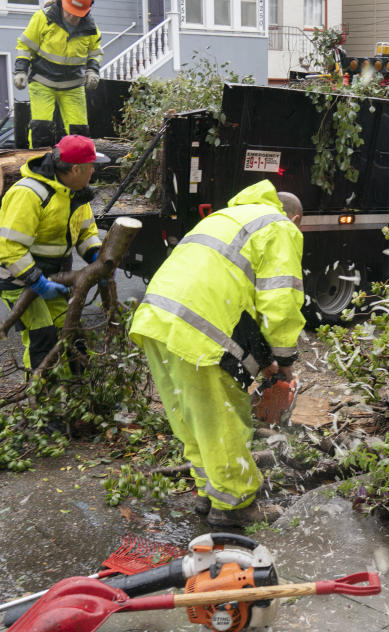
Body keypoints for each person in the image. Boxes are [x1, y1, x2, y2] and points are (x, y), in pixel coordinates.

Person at [129, 180, 305, 528]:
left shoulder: (229, 217)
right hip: (198, 330)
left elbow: (238, 303)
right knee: (223, 419)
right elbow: (280, 301)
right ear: (295, 218)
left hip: (156, 321)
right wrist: (285, 363)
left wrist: (267, 366)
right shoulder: (280, 227)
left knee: (193, 420)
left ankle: (211, 494)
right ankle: (236, 505)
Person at [0, 135, 110, 370]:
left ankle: (75, 391)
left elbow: (85, 233)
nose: (93, 171)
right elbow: (10, 249)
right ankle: (41, 395)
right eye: (91, 166)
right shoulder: (28, 194)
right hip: (15, 278)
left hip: (50, 276)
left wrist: (97, 257)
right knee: (42, 337)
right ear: (75, 169)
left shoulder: (76, 194)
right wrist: (37, 282)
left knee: (70, 331)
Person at [13, 0, 102, 148]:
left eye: (78, 14)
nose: (74, 18)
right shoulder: (43, 18)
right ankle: (39, 166)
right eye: (70, 13)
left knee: (80, 133)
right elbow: (25, 46)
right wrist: (20, 70)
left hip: (73, 85)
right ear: (62, 4)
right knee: (41, 129)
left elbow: (95, 52)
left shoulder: (91, 28)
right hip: (43, 82)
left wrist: (92, 70)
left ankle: (77, 169)